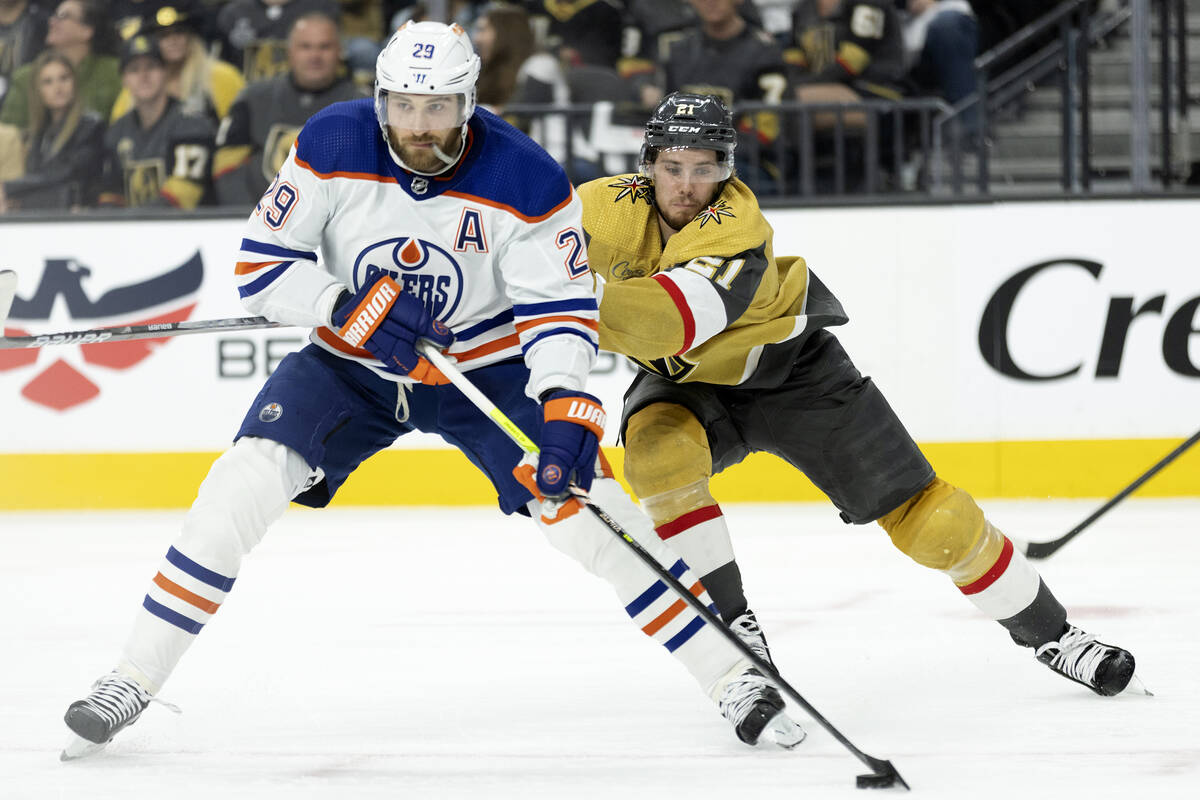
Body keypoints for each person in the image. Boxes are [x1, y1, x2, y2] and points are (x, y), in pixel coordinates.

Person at [61, 23, 805, 762]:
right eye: (403, 105)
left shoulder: (528, 177)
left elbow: (558, 310)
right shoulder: (333, 142)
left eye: (439, 107)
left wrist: (563, 402)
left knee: (585, 510)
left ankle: (731, 676)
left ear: (470, 103)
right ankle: (131, 678)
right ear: (380, 98)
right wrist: (344, 307)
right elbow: (263, 264)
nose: (419, 126)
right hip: (351, 365)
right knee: (239, 482)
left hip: (484, 364)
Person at [576, 91, 1139, 702]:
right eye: (673, 167)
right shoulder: (599, 207)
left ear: (726, 171)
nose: (687, 185)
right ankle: (733, 633)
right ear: (648, 163)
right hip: (689, 383)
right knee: (655, 457)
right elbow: (520, 242)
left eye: (705, 168)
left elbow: (673, 321)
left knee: (936, 522)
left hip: (796, 375)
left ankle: (1056, 635)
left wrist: (553, 301)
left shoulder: (737, 227)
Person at [212, 10, 362, 208]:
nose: (314, 56)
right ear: (289, 51)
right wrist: (248, 215)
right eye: (305, 47)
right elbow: (226, 168)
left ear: (340, 51)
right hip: (255, 220)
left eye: (324, 47)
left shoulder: (364, 104)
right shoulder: (252, 98)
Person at [97, 34, 216, 209]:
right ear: (124, 80)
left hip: (190, 229)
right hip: (134, 230)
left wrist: (134, 222)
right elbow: (110, 193)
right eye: (134, 70)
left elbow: (183, 195)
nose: (143, 76)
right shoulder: (117, 131)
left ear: (165, 73)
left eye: (151, 67)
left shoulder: (192, 124)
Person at [108, 3, 246, 127]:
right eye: (163, 35)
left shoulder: (221, 77)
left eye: (179, 32)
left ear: (190, 36)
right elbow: (117, 135)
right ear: (151, 44)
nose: (173, 40)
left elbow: (241, 133)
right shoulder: (139, 88)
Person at [0, 50, 104, 211]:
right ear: (38, 91)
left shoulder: (91, 126)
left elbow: (66, 172)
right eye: (48, 82)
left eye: (64, 78)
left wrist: (10, 188)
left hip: (82, 214)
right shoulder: (38, 132)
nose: (58, 87)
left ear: (74, 82)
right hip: (46, 213)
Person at [0, 0, 120, 130]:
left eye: (63, 16)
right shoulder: (25, 77)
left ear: (87, 30)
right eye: (54, 15)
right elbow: (8, 134)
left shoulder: (114, 71)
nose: (52, 21)